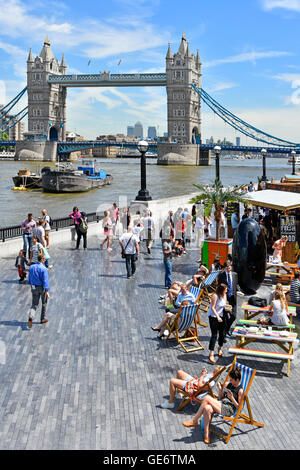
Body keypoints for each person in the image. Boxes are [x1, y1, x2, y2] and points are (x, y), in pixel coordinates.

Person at [182, 366, 244, 445]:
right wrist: (220, 390)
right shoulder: (228, 384)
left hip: (228, 409)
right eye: (230, 379)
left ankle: (194, 420)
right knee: (207, 408)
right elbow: (220, 397)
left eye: (231, 380)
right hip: (221, 404)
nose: (230, 381)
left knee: (207, 398)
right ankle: (206, 435)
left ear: (237, 380)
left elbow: (240, 408)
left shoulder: (240, 391)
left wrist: (232, 398)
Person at [27, 253, 50, 329]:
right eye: (44, 259)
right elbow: (45, 280)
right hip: (42, 288)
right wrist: (47, 291)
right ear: (42, 260)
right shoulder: (43, 269)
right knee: (44, 303)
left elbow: (30, 278)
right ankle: (42, 319)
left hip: (34, 287)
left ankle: (31, 316)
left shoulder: (32, 267)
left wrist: (31, 287)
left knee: (34, 304)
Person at [207, 283, 228, 364]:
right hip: (213, 316)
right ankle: (211, 354)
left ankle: (220, 347)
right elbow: (212, 307)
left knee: (222, 334)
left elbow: (225, 304)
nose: (226, 291)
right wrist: (217, 317)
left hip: (222, 316)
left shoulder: (224, 295)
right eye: (225, 289)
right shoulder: (215, 296)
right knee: (214, 335)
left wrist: (228, 308)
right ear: (221, 290)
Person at [218, 262, 238, 336]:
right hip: (226, 299)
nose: (228, 269)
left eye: (229, 267)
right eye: (226, 267)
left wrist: (238, 291)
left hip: (233, 298)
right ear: (225, 268)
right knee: (226, 316)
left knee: (234, 316)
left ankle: (226, 329)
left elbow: (235, 285)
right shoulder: (221, 275)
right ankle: (223, 334)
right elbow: (219, 287)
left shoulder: (235, 275)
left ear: (231, 267)